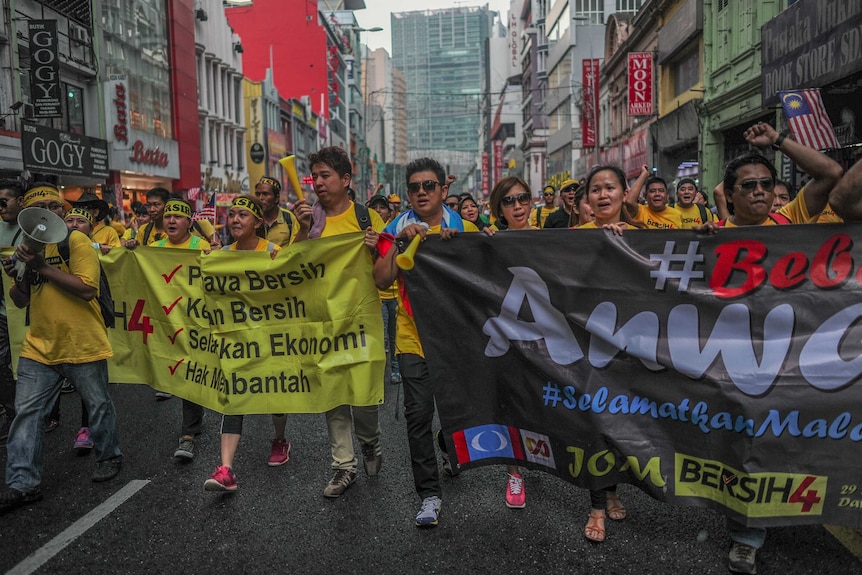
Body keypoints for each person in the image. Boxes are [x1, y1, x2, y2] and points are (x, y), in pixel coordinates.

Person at [703, 122, 843, 574]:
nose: (761, 192)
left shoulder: (791, 220)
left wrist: (779, 141)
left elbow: (830, 174)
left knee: (788, 437)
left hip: (797, 356)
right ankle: (745, 535)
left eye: (767, 183)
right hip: (736, 362)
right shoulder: (712, 237)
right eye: (749, 186)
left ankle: (787, 510)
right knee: (745, 443)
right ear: (730, 194)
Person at [0, 183, 123, 512]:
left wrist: (41, 266)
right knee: (26, 413)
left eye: (57, 207)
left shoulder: (76, 241)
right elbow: (19, 299)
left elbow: (86, 289)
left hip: (81, 341)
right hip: (39, 345)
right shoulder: (27, 246)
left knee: (98, 406)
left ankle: (109, 455)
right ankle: (22, 483)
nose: (52, 213)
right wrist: (21, 273)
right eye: (43, 208)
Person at [372, 157, 479, 527]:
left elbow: (484, 274)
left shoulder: (462, 225)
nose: (421, 192)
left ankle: (448, 442)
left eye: (428, 186)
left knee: (458, 411)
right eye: (414, 187)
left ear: (443, 190)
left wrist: (461, 244)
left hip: (455, 336)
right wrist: (401, 243)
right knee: (417, 415)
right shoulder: (394, 227)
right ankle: (429, 495)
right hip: (411, 336)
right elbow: (381, 280)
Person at [292, 146, 385, 498]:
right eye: (314, 176)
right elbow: (292, 271)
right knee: (333, 398)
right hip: (322, 323)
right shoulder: (308, 219)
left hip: (362, 322)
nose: (317, 182)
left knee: (363, 399)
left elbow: (382, 275)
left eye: (325, 175)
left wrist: (377, 249)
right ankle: (343, 467)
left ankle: (370, 443)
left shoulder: (366, 219)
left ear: (346, 180)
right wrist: (301, 232)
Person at [204, 195, 287, 492]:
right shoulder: (223, 253)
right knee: (233, 397)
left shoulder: (274, 251)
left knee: (276, 395)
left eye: (243, 215)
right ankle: (226, 469)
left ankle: (279, 439)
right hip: (236, 341)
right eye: (233, 214)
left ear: (258, 222)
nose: (236, 220)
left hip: (269, 338)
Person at [150, 199, 212, 461]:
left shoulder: (201, 246)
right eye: (168, 216)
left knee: (190, 374)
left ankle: (188, 435)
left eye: (178, 216)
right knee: (172, 371)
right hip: (165, 323)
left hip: (193, 322)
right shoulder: (153, 249)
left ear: (189, 222)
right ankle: (194, 420)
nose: (172, 221)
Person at [367, 195, 401, 386]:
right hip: (377, 295)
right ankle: (379, 373)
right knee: (380, 337)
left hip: (397, 294)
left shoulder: (395, 228)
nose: (379, 210)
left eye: (382, 207)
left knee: (394, 336)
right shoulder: (366, 231)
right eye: (375, 207)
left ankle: (396, 370)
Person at [0, 180, 25, 442]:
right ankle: (13, 414)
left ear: (20, 201)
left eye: (4, 200)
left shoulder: (31, 229)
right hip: (2, 311)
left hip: (25, 310)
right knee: (2, 366)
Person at [254, 176, 299, 247]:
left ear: (277, 198)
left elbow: (295, 247)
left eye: (265, 194)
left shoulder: (288, 218)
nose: (260, 198)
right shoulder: (251, 219)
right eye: (257, 194)